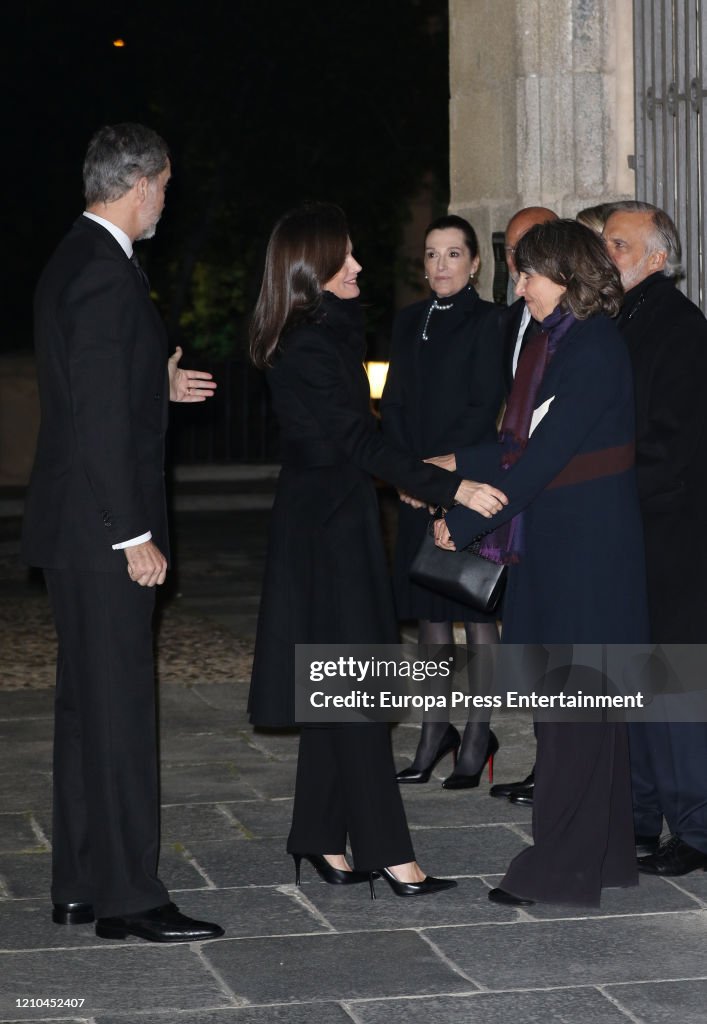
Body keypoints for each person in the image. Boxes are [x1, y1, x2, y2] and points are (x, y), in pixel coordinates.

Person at [247, 202, 506, 897]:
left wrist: (417, 482)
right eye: (346, 257)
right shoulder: (308, 342)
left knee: (339, 685)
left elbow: (360, 439)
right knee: (357, 687)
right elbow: (359, 440)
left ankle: (317, 837)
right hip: (325, 529)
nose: (359, 266)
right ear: (313, 268)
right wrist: (450, 488)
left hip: (333, 516)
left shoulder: (319, 331)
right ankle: (392, 855)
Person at [21, 123, 223, 942]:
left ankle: (79, 882)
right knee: (121, 717)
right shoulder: (106, 276)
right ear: (138, 184)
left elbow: (88, 388)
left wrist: (156, 383)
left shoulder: (77, 257)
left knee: (85, 713)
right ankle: (131, 900)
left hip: (72, 530)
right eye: (166, 189)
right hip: (102, 533)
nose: (166, 204)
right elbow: (97, 424)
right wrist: (131, 533)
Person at [432, 219, 649, 906]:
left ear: (565, 276)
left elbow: (539, 460)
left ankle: (560, 867)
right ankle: (606, 856)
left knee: (573, 716)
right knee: (583, 714)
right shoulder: (560, 344)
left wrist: (459, 522)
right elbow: (515, 444)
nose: (517, 285)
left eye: (527, 273)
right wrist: (447, 469)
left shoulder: (590, 348)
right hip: (566, 550)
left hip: (586, 559)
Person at [380, 215, 504, 788]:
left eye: (454, 254)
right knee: (431, 617)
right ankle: (435, 728)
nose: (441, 266)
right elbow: (395, 403)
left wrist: (441, 475)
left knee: (475, 613)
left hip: (467, 481)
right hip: (415, 487)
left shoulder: (491, 322)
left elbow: (485, 409)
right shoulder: (407, 322)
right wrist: (406, 474)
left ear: (475, 262)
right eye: (432, 255)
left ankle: (478, 732)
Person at [603, 201, 707, 875]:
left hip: (666, 531)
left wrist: (611, 491)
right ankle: (639, 817)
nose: (604, 255)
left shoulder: (679, 326)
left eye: (616, 244)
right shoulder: (618, 320)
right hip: (629, 527)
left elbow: (674, 444)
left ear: (656, 257)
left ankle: (695, 828)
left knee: (671, 684)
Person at [489, 205, 557, 806]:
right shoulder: (509, 318)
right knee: (528, 641)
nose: (518, 263)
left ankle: (560, 765)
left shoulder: (576, 333)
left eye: (531, 250)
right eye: (512, 251)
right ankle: (543, 758)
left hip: (547, 502)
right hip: (509, 498)